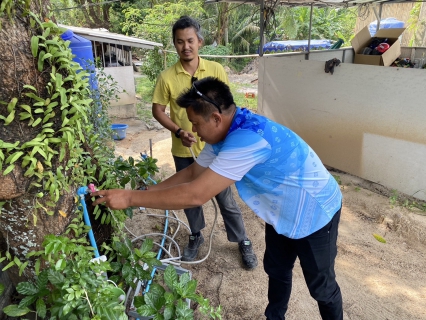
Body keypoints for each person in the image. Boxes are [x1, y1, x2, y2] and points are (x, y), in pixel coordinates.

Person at [93, 77, 343, 320]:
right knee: (277, 270)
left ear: (216, 118)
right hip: (281, 212)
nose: (192, 130)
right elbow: (192, 173)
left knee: (321, 288)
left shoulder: (247, 139)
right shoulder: (224, 131)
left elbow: (196, 194)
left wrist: (129, 198)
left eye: (195, 123)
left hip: (315, 211)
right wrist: (149, 192)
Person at [151, 16, 257, 269]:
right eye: (179, 42)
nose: (185, 46)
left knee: (225, 198)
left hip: (216, 148)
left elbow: (227, 107)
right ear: (174, 45)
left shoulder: (216, 69)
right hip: (184, 148)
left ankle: (242, 240)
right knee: (189, 198)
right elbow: (158, 110)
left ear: (199, 41)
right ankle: (196, 234)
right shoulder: (166, 77)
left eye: (190, 40)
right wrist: (179, 131)